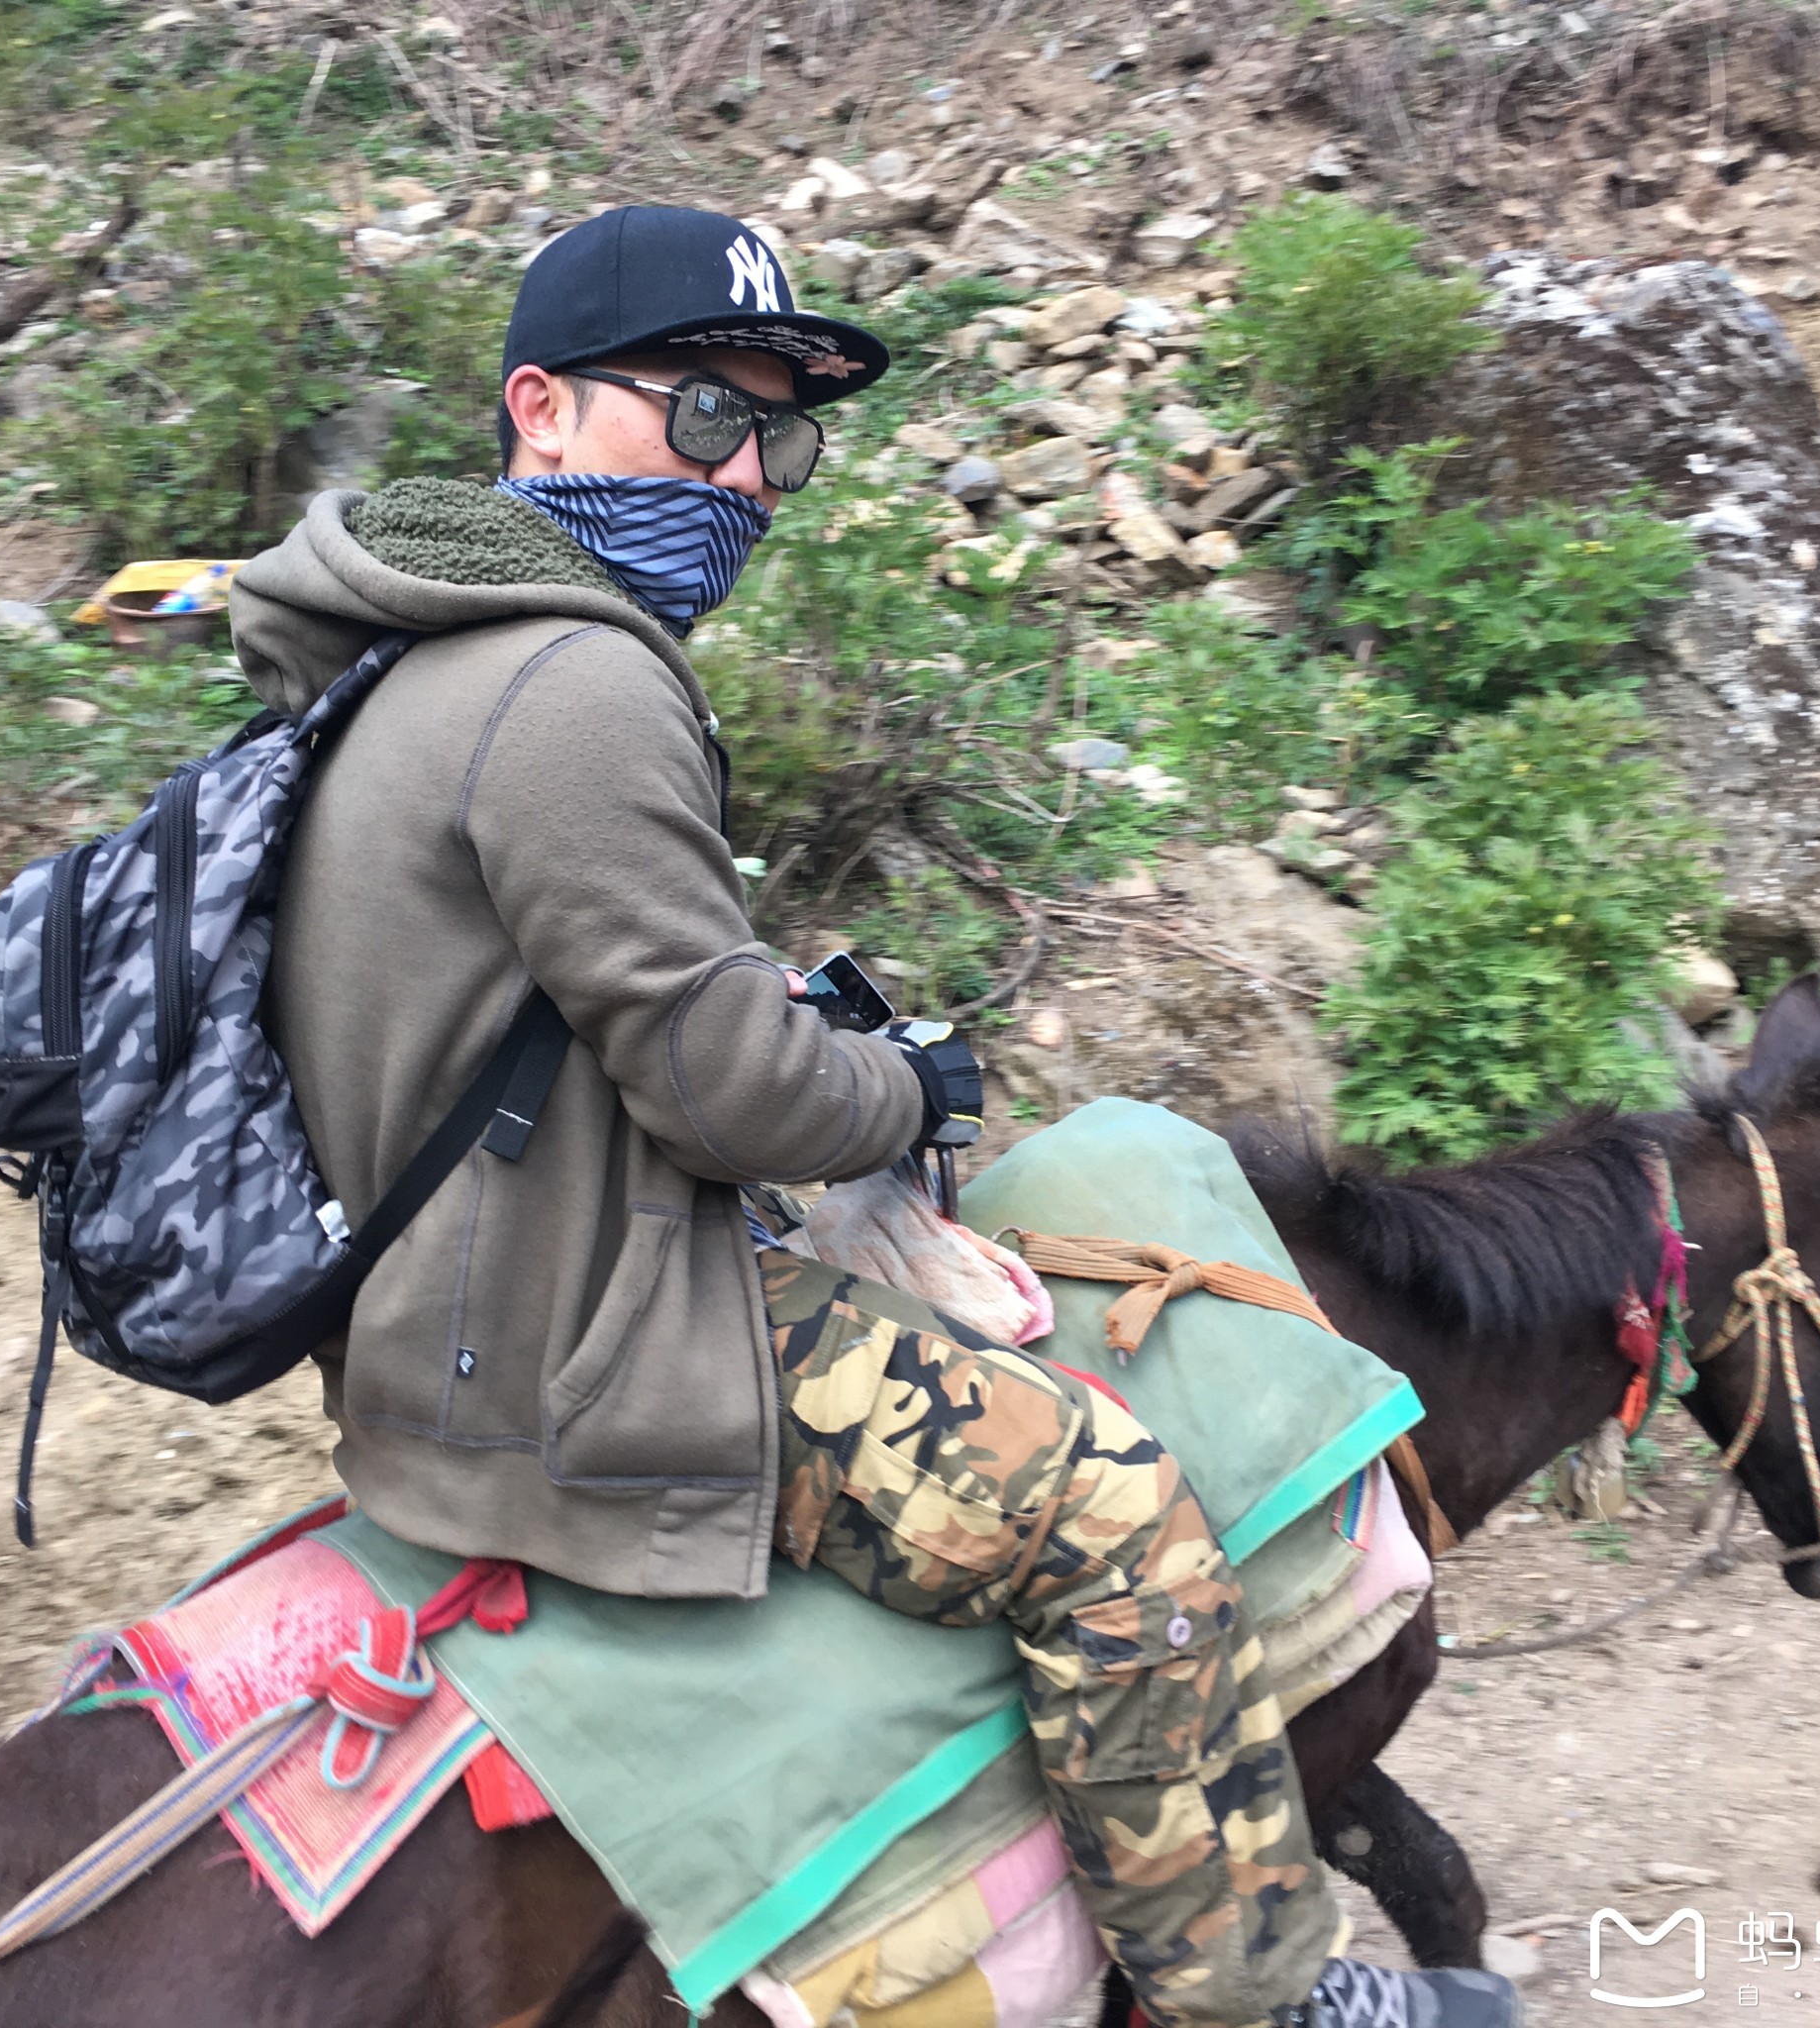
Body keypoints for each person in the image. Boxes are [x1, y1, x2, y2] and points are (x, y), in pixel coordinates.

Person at [229, 204, 1518, 2028]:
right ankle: (1256, 1995)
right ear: (537, 410)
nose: (745, 472)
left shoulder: (398, 647)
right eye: (696, 415)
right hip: (580, 1353)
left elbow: (575, 1023)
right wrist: (901, 1083)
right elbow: (726, 1089)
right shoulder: (577, 680)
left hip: (437, 1327)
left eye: (777, 434)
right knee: (1109, 1511)